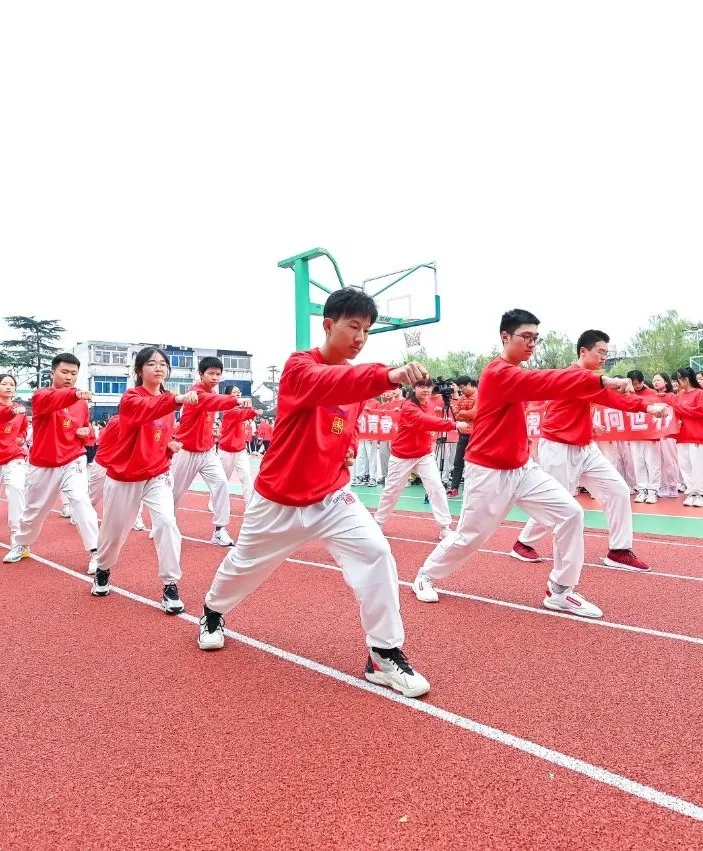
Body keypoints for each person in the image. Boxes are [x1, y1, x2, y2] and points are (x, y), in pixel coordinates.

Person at [198, 288, 432, 699]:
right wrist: (388, 374)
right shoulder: (299, 367)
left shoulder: (355, 383)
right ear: (328, 325)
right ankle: (213, 612)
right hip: (279, 499)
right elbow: (331, 382)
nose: (360, 337)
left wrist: (349, 449)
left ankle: (383, 653)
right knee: (243, 565)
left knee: (376, 554)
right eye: (353, 327)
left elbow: (345, 426)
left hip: (331, 497)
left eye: (367, 330)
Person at [412, 309, 632, 619]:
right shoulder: (498, 372)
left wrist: (600, 384)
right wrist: (601, 379)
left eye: (535, 338)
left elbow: (551, 381)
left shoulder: (514, 371)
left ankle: (560, 591)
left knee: (570, 514)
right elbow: (547, 381)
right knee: (470, 537)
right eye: (525, 337)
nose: (531, 344)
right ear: (505, 337)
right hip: (488, 470)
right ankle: (426, 574)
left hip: (522, 469)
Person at [510, 330, 662, 572]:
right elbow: (613, 399)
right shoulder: (574, 376)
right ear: (583, 351)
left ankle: (619, 550)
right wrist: (648, 407)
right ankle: (523, 543)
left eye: (606, 353)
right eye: (600, 352)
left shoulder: (592, 378)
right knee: (558, 503)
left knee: (618, 490)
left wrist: (590, 425)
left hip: (585, 447)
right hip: (559, 447)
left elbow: (582, 405)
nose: (604, 357)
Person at [90, 347, 197, 610]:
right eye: (151, 364)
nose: (158, 368)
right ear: (139, 370)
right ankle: (103, 568)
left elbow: (159, 434)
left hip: (157, 474)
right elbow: (146, 410)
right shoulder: (131, 398)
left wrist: (169, 445)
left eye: (162, 364)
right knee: (114, 531)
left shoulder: (169, 401)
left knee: (167, 524)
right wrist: (178, 399)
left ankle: (170, 585)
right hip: (125, 476)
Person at [3, 354, 99, 572]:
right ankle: (22, 544)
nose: (69, 377)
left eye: (73, 374)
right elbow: (55, 400)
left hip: (73, 458)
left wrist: (85, 433)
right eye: (64, 372)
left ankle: (96, 552)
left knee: (80, 500)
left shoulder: (81, 403)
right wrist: (74, 394)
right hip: (43, 463)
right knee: (34, 509)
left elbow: (85, 431)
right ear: (52, 373)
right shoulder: (41, 395)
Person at [375, 378, 470, 539]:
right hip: (402, 455)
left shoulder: (430, 404)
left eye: (428, 386)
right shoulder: (408, 406)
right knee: (391, 491)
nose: (425, 389)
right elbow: (424, 421)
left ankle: (444, 527)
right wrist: (453, 425)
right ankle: (378, 523)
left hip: (424, 455)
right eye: (421, 386)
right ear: (414, 387)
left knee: (436, 488)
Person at [170, 357, 244, 546]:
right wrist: (234, 400)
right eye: (210, 373)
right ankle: (164, 525)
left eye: (218, 374)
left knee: (221, 484)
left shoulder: (211, 393)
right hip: (186, 451)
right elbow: (214, 401)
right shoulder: (196, 393)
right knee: (175, 493)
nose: (215, 377)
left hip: (208, 452)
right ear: (200, 374)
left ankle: (220, 530)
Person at [668, 368, 703, 508]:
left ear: (686, 380)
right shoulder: (679, 394)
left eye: (678, 380)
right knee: (685, 465)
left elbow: (700, 411)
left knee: (697, 466)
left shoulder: (699, 393)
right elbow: (674, 410)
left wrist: (679, 409)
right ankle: (691, 492)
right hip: (682, 436)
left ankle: (700, 493)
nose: (676, 383)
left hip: (696, 436)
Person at [0, 375, 28, 546]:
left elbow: (23, 429)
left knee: (17, 489)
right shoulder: (12, 410)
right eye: (4, 384)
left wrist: (21, 438)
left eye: (12, 384)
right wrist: (10, 412)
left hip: (14, 455)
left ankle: (17, 533)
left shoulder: (21, 410)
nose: (8, 387)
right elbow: (3, 415)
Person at [218, 385, 258, 505]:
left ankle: (250, 504)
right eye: (235, 392)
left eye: (239, 392)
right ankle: (215, 502)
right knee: (223, 480)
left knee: (246, 476)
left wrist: (250, 408)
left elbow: (250, 413)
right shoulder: (227, 409)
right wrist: (252, 408)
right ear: (228, 395)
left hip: (240, 451)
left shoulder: (240, 408)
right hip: (226, 451)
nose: (238, 394)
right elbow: (249, 413)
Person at [626, 370, 661, 504]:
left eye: (638, 383)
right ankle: (642, 489)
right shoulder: (627, 394)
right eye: (633, 383)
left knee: (652, 463)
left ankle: (653, 490)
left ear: (642, 381)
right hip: (634, 435)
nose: (636, 386)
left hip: (651, 435)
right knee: (638, 462)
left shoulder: (653, 394)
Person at [446, 377, 478, 497]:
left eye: (462, 387)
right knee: (458, 461)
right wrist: (463, 415)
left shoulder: (478, 396)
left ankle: (472, 489)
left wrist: (462, 414)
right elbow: (456, 414)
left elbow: (475, 414)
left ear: (469, 384)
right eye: (459, 388)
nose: (461, 390)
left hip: (475, 435)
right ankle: (454, 488)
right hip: (462, 434)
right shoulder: (462, 398)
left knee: (473, 463)